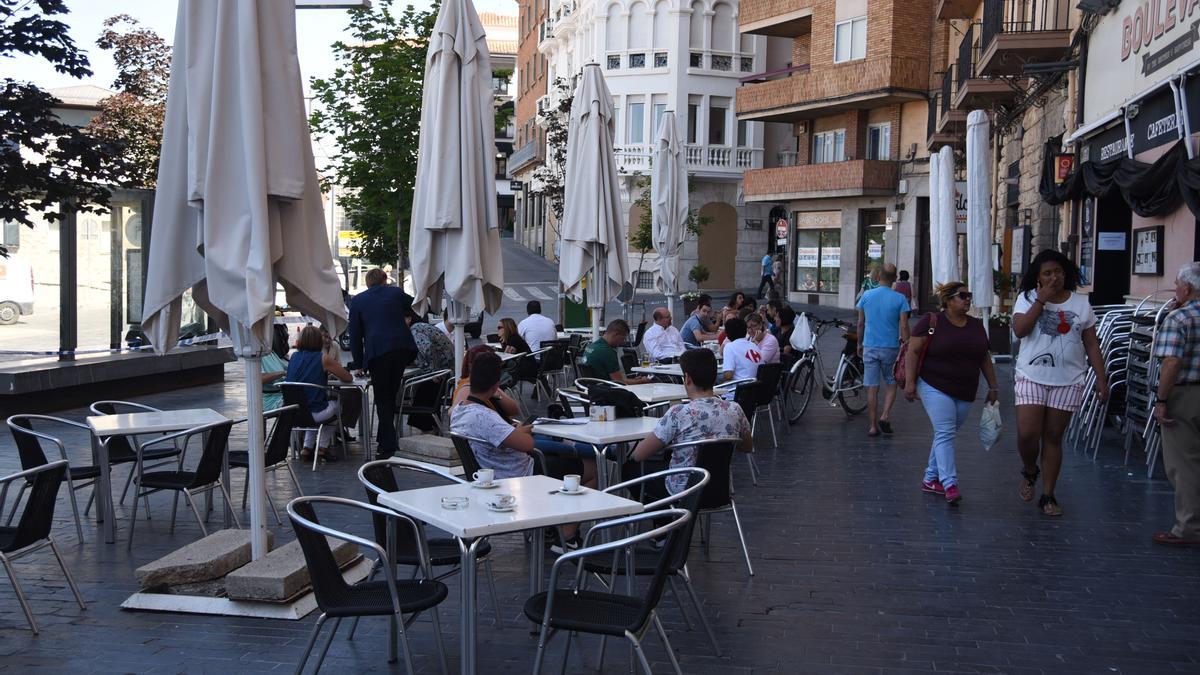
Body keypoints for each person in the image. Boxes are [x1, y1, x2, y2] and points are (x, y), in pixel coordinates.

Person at [450, 352, 589, 548]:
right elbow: (528, 445)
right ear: (496, 385)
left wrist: (514, 431)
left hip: (489, 471)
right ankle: (567, 537)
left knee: (564, 459)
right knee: (587, 469)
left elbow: (501, 435)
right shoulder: (485, 417)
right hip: (517, 475)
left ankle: (551, 526)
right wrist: (520, 431)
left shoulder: (460, 410)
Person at [1011, 249, 1108, 517]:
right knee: (1028, 433)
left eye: (1058, 272)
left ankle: (1048, 494)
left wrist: (1101, 378)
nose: (1054, 277)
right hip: (1031, 375)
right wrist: (1040, 301)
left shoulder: (1080, 303)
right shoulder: (1027, 298)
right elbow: (1020, 330)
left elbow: (1091, 342)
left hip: (1068, 379)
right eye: (1048, 273)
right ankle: (1030, 470)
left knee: (1053, 437)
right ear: (1038, 278)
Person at [903, 282, 999, 505]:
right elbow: (913, 351)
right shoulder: (931, 322)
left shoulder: (976, 326)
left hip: (965, 389)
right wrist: (910, 383)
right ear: (947, 300)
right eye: (962, 296)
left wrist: (993, 387)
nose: (967, 299)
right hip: (933, 385)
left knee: (944, 433)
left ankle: (930, 478)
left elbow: (984, 357)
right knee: (946, 432)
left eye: (969, 295)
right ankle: (950, 483)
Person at [630, 349, 753, 497]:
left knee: (630, 470)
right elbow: (747, 446)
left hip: (683, 492)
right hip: (719, 491)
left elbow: (639, 455)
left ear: (687, 378)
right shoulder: (735, 410)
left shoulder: (679, 413)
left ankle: (666, 518)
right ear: (715, 378)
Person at [1151, 262, 1200, 546]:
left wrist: (1161, 400)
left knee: (1184, 465)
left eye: (1177, 285)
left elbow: (1171, 362)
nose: (1175, 289)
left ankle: (1189, 527)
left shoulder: (1179, 319)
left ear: (1188, 288)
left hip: (1186, 394)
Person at [348, 268, 418, 459]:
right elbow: (418, 307)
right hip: (402, 348)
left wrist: (358, 363)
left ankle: (388, 445)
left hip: (378, 351)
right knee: (390, 394)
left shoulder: (358, 300)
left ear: (368, 283)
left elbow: (355, 334)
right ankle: (385, 439)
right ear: (385, 280)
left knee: (382, 397)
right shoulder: (396, 293)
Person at [856, 263, 910, 437]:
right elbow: (903, 324)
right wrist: (907, 344)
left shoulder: (866, 296)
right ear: (894, 279)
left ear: (879, 276)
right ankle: (885, 415)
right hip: (890, 347)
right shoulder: (900, 298)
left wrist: (859, 343)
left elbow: (860, 323)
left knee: (872, 387)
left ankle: (872, 426)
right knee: (891, 382)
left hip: (870, 346)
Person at [286, 326, 353, 462]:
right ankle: (322, 448)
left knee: (313, 405)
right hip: (314, 414)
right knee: (335, 405)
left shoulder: (293, 357)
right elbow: (348, 378)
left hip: (293, 413)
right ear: (318, 341)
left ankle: (307, 448)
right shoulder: (323, 358)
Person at [581, 320, 653, 384]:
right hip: (605, 392)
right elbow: (620, 382)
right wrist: (642, 381)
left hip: (591, 389)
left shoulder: (591, 346)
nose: (622, 342)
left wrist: (633, 380)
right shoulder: (607, 352)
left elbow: (616, 379)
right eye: (623, 338)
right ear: (616, 334)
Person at [721, 318, 763, 382]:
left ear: (727, 333)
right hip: (757, 387)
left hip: (739, 389)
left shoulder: (729, 346)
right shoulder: (754, 345)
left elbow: (728, 375)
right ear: (745, 331)